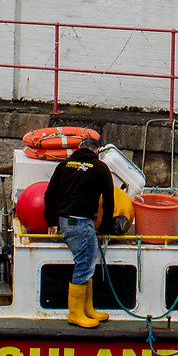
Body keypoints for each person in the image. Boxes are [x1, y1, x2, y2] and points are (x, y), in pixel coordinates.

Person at [42, 138, 119, 327]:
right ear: (97, 151)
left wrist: (52, 221)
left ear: (79, 148)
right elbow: (109, 200)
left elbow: (49, 194)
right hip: (81, 222)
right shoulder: (100, 168)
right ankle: (75, 314)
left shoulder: (64, 165)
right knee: (84, 265)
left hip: (66, 221)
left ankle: (87, 309)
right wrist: (106, 227)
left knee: (89, 263)